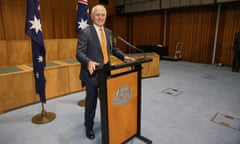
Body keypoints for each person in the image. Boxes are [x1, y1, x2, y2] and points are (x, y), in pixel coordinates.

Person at [76, 4, 135, 140]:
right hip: (92, 73)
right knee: (91, 103)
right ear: (92, 16)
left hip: (106, 72)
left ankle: (107, 121)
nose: (101, 17)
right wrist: (88, 61)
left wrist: (123, 57)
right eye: (98, 15)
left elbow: (113, 48)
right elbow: (79, 53)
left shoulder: (108, 32)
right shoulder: (85, 32)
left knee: (107, 100)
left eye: (103, 15)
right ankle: (89, 126)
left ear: (106, 17)